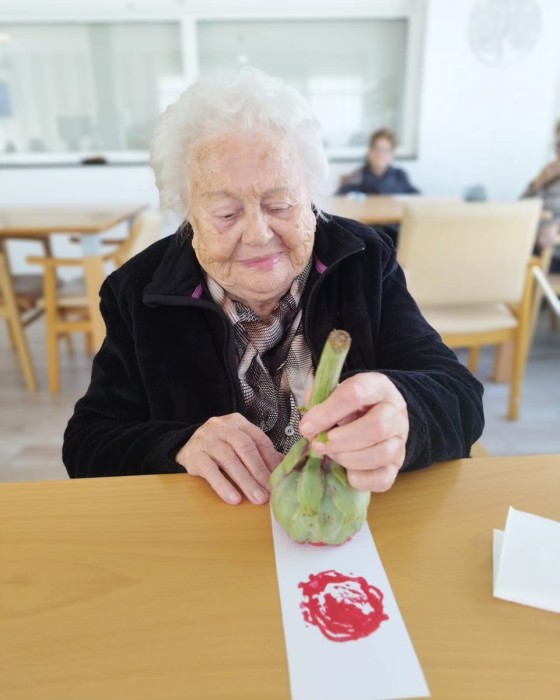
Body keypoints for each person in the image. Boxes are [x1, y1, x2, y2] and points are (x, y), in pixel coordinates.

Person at [62, 68, 484, 505]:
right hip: (213, 528)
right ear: (188, 215)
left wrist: (405, 416)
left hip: (351, 525)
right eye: (226, 214)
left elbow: (460, 397)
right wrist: (178, 445)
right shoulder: (138, 291)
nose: (258, 235)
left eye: (280, 204)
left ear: (311, 197)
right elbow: (87, 443)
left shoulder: (363, 258)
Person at [521, 120, 560, 272]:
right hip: (530, 240)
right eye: (557, 145)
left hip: (552, 250)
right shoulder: (548, 171)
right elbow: (521, 205)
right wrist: (537, 184)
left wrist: (556, 226)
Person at [337, 128, 420, 196]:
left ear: (392, 154)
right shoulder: (357, 176)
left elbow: (416, 196)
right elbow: (340, 199)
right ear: (369, 152)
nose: (380, 154)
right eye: (377, 149)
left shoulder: (400, 175)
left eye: (386, 150)